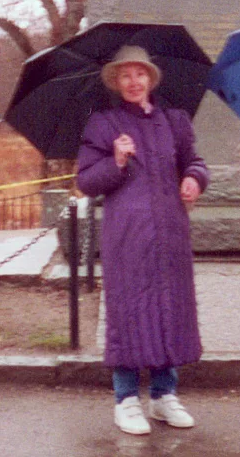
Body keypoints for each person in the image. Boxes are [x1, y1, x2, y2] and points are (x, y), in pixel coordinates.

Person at [76, 45, 209, 435]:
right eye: (125, 76)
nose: (134, 82)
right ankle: (126, 400)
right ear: (116, 82)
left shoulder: (175, 120)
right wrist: (115, 161)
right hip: (127, 237)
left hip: (171, 233)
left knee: (170, 305)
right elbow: (86, 181)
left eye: (140, 74)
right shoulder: (104, 123)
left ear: (151, 78)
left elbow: (194, 161)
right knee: (131, 310)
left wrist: (193, 179)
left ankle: (164, 396)